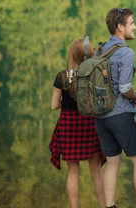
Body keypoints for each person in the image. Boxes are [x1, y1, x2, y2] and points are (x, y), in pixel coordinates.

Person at [95, 8, 136, 208]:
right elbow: (125, 87)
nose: (134, 26)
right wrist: (135, 97)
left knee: (112, 162)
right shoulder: (126, 52)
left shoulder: (100, 50)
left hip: (101, 115)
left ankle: (109, 206)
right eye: (131, 23)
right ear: (120, 27)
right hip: (121, 114)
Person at [49, 37, 106, 208]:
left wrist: (64, 104)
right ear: (89, 54)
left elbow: (53, 106)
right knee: (96, 170)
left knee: (73, 171)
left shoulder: (62, 76)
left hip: (68, 124)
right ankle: (104, 205)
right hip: (89, 123)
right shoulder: (94, 74)